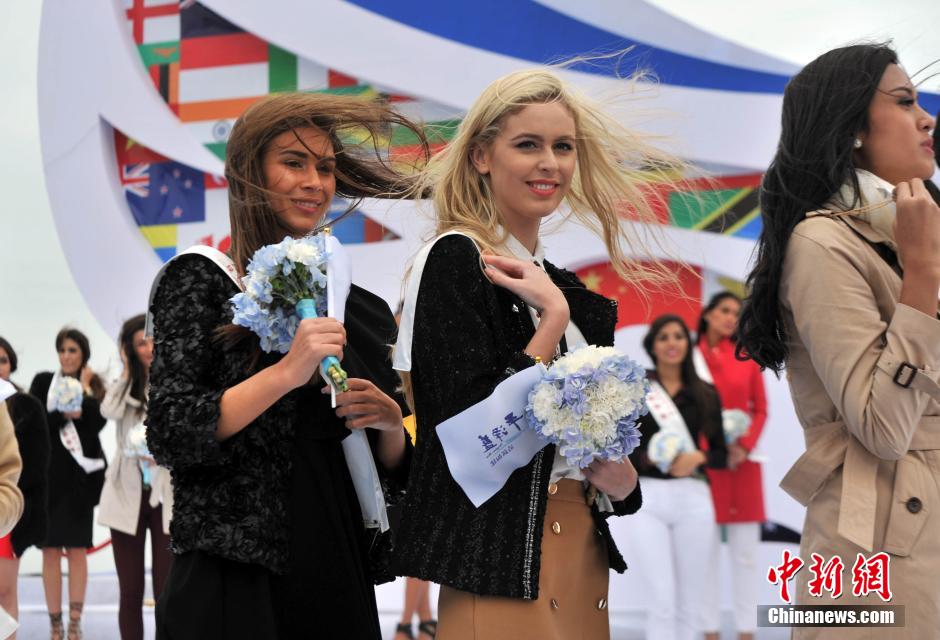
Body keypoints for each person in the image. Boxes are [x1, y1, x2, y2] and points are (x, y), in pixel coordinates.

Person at [392, 68, 687, 640]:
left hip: (581, 547)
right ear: (481, 156)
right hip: (497, 558)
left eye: (563, 147)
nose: (550, 163)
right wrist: (550, 321)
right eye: (528, 144)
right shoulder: (455, 258)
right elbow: (469, 442)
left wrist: (623, 482)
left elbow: (591, 442)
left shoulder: (565, 287)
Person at [147, 92, 421, 639]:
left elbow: (393, 469)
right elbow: (172, 431)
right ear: (249, 171)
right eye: (294, 163)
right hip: (232, 570)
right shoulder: (200, 280)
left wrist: (391, 424)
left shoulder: (355, 306)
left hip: (333, 567)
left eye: (325, 168)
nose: (315, 183)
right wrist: (286, 372)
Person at [736, 43, 940, 637]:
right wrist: (921, 277)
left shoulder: (911, 232)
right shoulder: (822, 244)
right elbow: (882, 428)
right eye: (904, 102)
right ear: (852, 127)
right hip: (877, 546)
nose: (927, 118)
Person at [626, 315, 726, 640]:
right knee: (661, 600)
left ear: (688, 343)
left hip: (693, 499)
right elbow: (622, 449)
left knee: (689, 603)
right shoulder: (637, 390)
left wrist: (698, 457)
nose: (672, 343)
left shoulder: (706, 393)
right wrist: (650, 458)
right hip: (648, 498)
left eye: (679, 336)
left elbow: (722, 454)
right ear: (652, 345)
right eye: (664, 337)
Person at [695, 292, 767, 640]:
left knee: (746, 556)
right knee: (704, 555)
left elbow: (761, 409)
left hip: (742, 466)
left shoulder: (747, 358)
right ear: (708, 314)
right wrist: (709, 449)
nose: (730, 318)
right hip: (704, 467)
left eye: (736, 313)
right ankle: (709, 630)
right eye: (724, 310)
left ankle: (746, 631)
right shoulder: (690, 357)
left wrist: (744, 445)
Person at [98, 314, 172, 640]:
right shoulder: (124, 383)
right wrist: (128, 371)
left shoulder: (174, 377)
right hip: (125, 491)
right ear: (129, 347)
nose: (149, 348)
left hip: (165, 492)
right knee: (130, 589)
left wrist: (165, 450)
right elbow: (108, 410)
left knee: (165, 589)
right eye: (141, 343)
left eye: (152, 340)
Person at [29, 328, 106, 640]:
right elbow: (35, 424)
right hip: (49, 481)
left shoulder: (93, 385)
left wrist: (85, 389)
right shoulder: (44, 382)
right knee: (49, 551)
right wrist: (63, 414)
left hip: (79, 484)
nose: (66, 356)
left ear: (83, 353)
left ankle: (75, 622)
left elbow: (96, 424)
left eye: (72, 350)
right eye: (62, 350)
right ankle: (55, 624)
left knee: (76, 551)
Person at [0, 337, 50, 640]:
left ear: (12, 364)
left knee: (5, 592)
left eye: (3, 360)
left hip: (8, 516)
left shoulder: (26, 406)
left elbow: (33, 463)